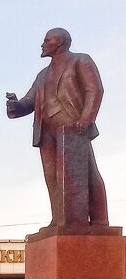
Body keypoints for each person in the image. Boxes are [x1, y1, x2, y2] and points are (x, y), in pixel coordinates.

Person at [6, 28, 108, 231]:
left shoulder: (80, 61)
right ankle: (59, 219)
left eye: (47, 40)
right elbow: (30, 100)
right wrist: (16, 105)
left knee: (86, 173)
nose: (42, 44)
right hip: (46, 131)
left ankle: (99, 221)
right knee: (53, 177)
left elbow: (94, 90)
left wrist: (85, 119)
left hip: (72, 127)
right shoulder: (43, 75)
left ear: (59, 42)